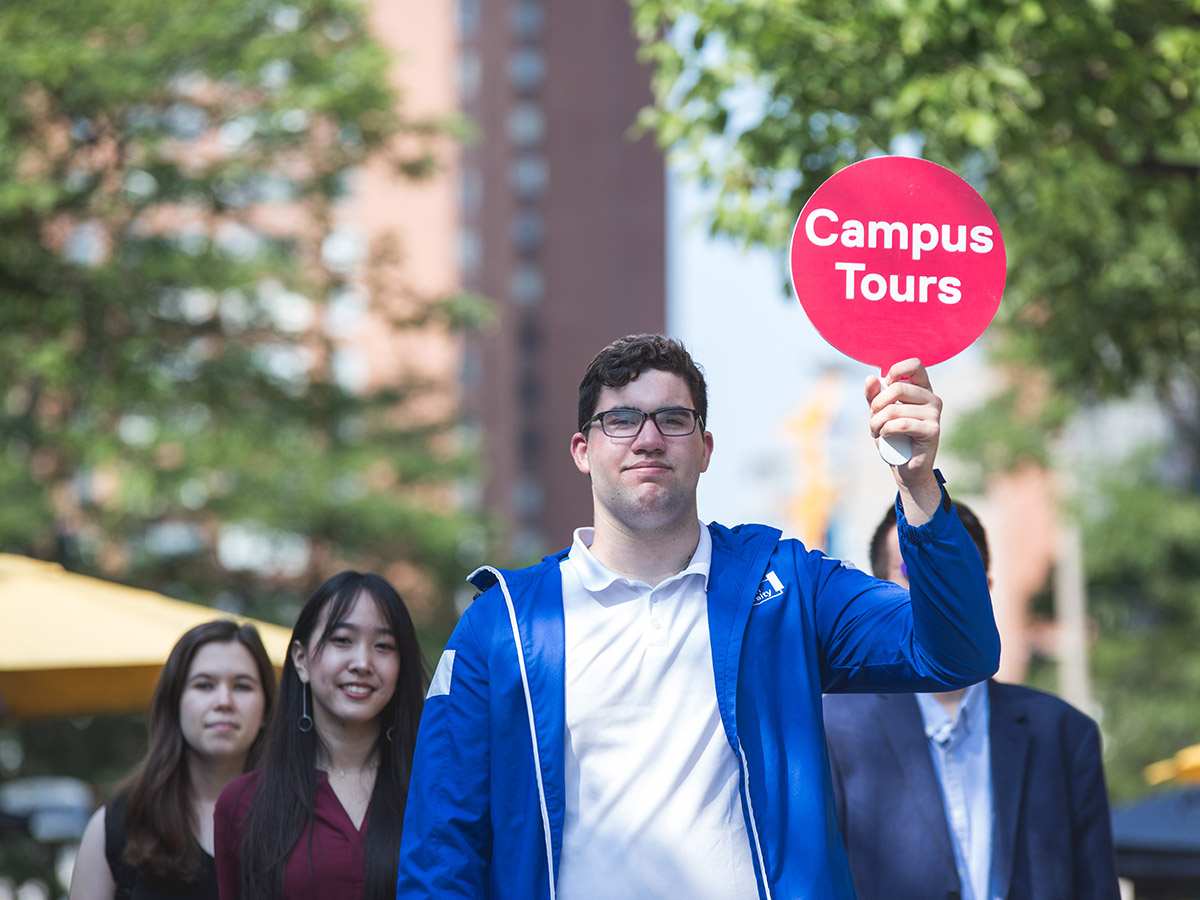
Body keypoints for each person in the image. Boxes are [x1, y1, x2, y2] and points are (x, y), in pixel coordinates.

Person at [396, 333, 1000, 900]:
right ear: (583, 450)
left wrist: (917, 483)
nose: (649, 438)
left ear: (705, 448)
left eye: (673, 419)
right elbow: (441, 849)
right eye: (621, 419)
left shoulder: (787, 586)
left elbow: (957, 652)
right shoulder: (499, 626)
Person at [822, 502, 1121, 899]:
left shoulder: (1065, 732)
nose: (935, 590)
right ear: (879, 593)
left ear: (985, 589)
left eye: (955, 573)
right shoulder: (833, 731)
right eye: (912, 571)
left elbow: (1096, 886)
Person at [214, 571, 427, 900]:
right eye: (342, 640)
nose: (362, 662)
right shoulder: (242, 803)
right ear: (300, 660)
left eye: (383, 646)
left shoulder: (432, 792)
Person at [69, 619, 276, 900]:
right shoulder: (117, 825)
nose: (224, 701)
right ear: (174, 701)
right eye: (204, 685)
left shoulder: (301, 820)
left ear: (266, 709)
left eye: (242, 686)